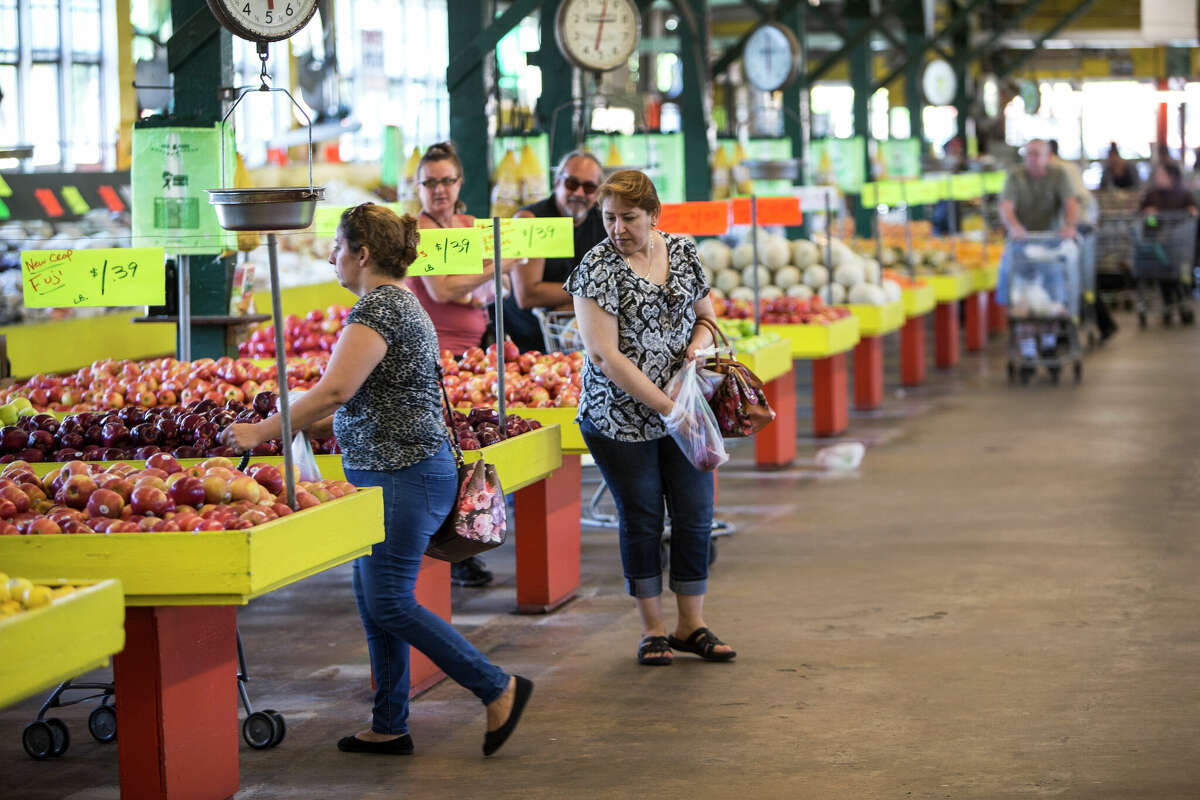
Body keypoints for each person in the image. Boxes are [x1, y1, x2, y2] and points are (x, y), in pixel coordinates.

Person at [219, 204, 533, 757]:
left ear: (362, 254)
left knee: (388, 600)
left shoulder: (380, 310)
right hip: (397, 473)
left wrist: (261, 431)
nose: (332, 257)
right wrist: (294, 423)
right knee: (375, 600)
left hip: (404, 475)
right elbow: (347, 395)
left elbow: (335, 391)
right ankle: (389, 723)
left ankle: (496, 685)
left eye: (338, 247)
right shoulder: (394, 304)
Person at [566, 169, 734, 667]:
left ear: (654, 216)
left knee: (695, 512)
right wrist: (668, 408)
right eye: (609, 218)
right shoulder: (596, 268)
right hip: (618, 417)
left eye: (629, 218)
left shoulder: (683, 251)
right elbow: (604, 356)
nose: (617, 228)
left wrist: (695, 352)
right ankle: (652, 629)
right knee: (641, 515)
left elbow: (708, 318)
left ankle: (691, 624)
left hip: (684, 409)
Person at [409, 141, 516, 588]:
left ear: (459, 183)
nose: (439, 190)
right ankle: (450, 551)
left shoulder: (471, 226)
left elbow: (504, 286)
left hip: (473, 353)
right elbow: (442, 291)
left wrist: (485, 280)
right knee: (446, 454)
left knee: (471, 448)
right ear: (417, 187)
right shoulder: (417, 230)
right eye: (429, 182)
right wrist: (493, 268)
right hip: (431, 353)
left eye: (446, 180)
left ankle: (467, 538)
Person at [503, 150, 608, 353]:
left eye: (588, 187)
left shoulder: (604, 221)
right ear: (557, 182)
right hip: (528, 343)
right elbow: (527, 295)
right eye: (571, 184)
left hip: (583, 338)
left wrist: (568, 298)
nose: (579, 193)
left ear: (597, 192)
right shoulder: (530, 219)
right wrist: (591, 293)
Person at [1137, 161, 1198, 322]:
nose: (1157, 178)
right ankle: (1169, 303)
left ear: (1171, 177)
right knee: (1162, 271)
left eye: (1161, 175)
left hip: (1179, 246)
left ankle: (1178, 301)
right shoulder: (1152, 196)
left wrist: (1191, 212)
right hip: (1157, 246)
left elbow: (1193, 212)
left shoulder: (1184, 195)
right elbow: (1140, 215)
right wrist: (1148, 214)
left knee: (1178, 272)